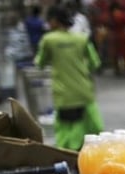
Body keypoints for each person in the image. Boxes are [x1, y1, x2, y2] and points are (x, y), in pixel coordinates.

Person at [35, 5, 105, 151]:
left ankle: (69, 156)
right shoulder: (82, 39)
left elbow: (39, 63)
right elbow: (95, 63)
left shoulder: (49, 40)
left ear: (54, 20)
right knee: (88, 128)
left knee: (66, 128)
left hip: (63, 93)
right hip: (84, 91)